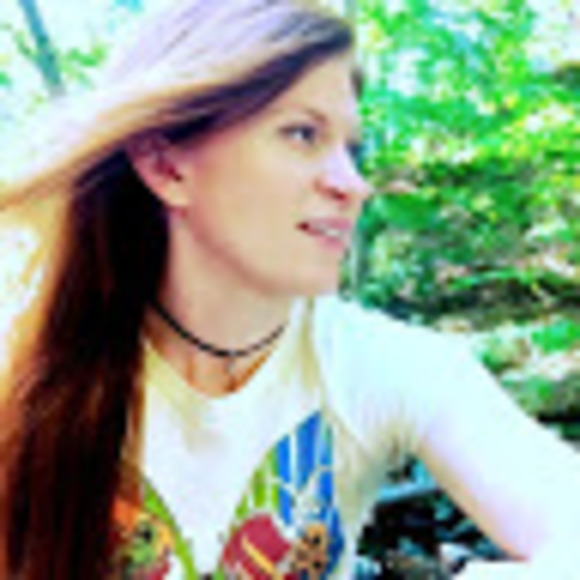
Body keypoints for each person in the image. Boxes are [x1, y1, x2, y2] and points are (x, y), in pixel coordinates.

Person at [1, 0, 580, 578]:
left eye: (352, 149)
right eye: (302, 133)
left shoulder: (376, 365)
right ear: (166, 166)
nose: (354, 185)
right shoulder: (29, 377)